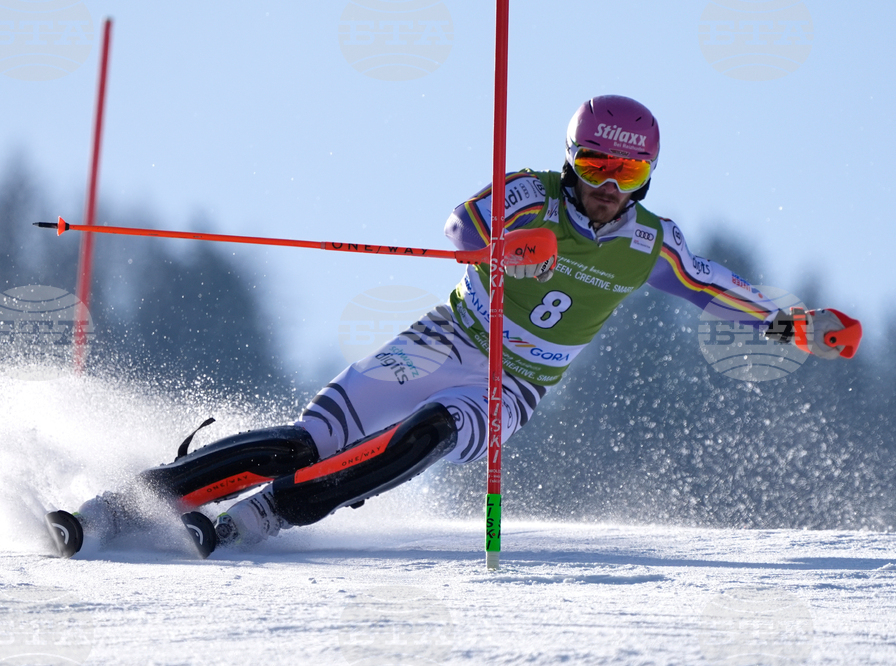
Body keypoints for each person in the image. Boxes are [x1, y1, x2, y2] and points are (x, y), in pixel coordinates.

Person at [47, 95, 861, 558]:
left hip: (516, 383)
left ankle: (254, 520)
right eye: (595, 165)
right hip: (448, 340)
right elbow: (459, 227)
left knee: (430, 435)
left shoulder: (654, 243)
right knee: (302, 445)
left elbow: (721, 291)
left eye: (629, 172)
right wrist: (507, 252)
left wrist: (797, 325)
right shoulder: (531, 193)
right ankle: (114, 509)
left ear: (650, 175)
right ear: (571, 157)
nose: (608, 186)